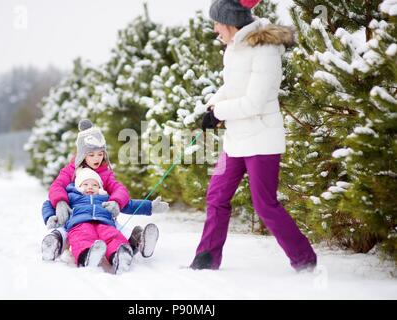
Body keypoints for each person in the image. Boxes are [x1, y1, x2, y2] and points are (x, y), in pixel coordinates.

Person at [191, 0, 317, 272]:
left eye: (216, 23)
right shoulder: (234, 47)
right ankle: (206, 259)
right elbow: (231, 86)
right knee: (216, 196)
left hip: (261, 138)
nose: (215, 29)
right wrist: (212, 105)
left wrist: (220, 112)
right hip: (236, 139)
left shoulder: (265, 49)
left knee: (265, 205)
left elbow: (254, 102)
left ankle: (304, 260)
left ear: (229, 21)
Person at [41, 119, 160, 262]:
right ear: (82, 155)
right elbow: (57, 186)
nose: (97, 158)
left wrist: (117, 202)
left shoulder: (105, 173)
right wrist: (60, 202)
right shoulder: (72, 171)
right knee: (80, 234)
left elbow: (119, 190)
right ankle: (70, 248)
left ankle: (130, 246)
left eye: (100, 153)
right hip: (77, 218)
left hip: (103, 217)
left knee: (114, 232)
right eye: (91, 155)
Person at [42, 167, 169, 274]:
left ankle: (119, 255)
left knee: (113, 236)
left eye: (94, 185)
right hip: (80, 223)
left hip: (105, 223)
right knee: (82, 238)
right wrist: (50, 216)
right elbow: (48, 204)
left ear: (100, 187)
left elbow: (128, 204)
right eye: (85, 184)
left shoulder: (105, 197)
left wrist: (150, 207)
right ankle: (86, 256)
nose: (90, 187)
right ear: (78, 186)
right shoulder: (72, 197)